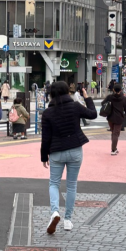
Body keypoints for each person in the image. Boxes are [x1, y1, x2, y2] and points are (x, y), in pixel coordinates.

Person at [41, 81, 97, 234]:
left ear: (51, 94)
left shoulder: (48, 112)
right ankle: (67, 220)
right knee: (71, 185)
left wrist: (44, 156)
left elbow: (45, 138)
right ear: (67, 91)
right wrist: (87, 98)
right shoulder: (75, 106)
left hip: (56, 151)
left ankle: (55, 212)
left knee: (54, 183)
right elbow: (93, 114)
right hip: (75, 149)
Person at [103, 84, 126, 155]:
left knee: (113, 133)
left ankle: (115, 148)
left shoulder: (109, 97)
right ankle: (113, 150)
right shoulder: (123, 98)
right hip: (119, 118)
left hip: (110, 118)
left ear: (113, 90)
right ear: (121, 90)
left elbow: (103, 104)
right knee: (116, 133)